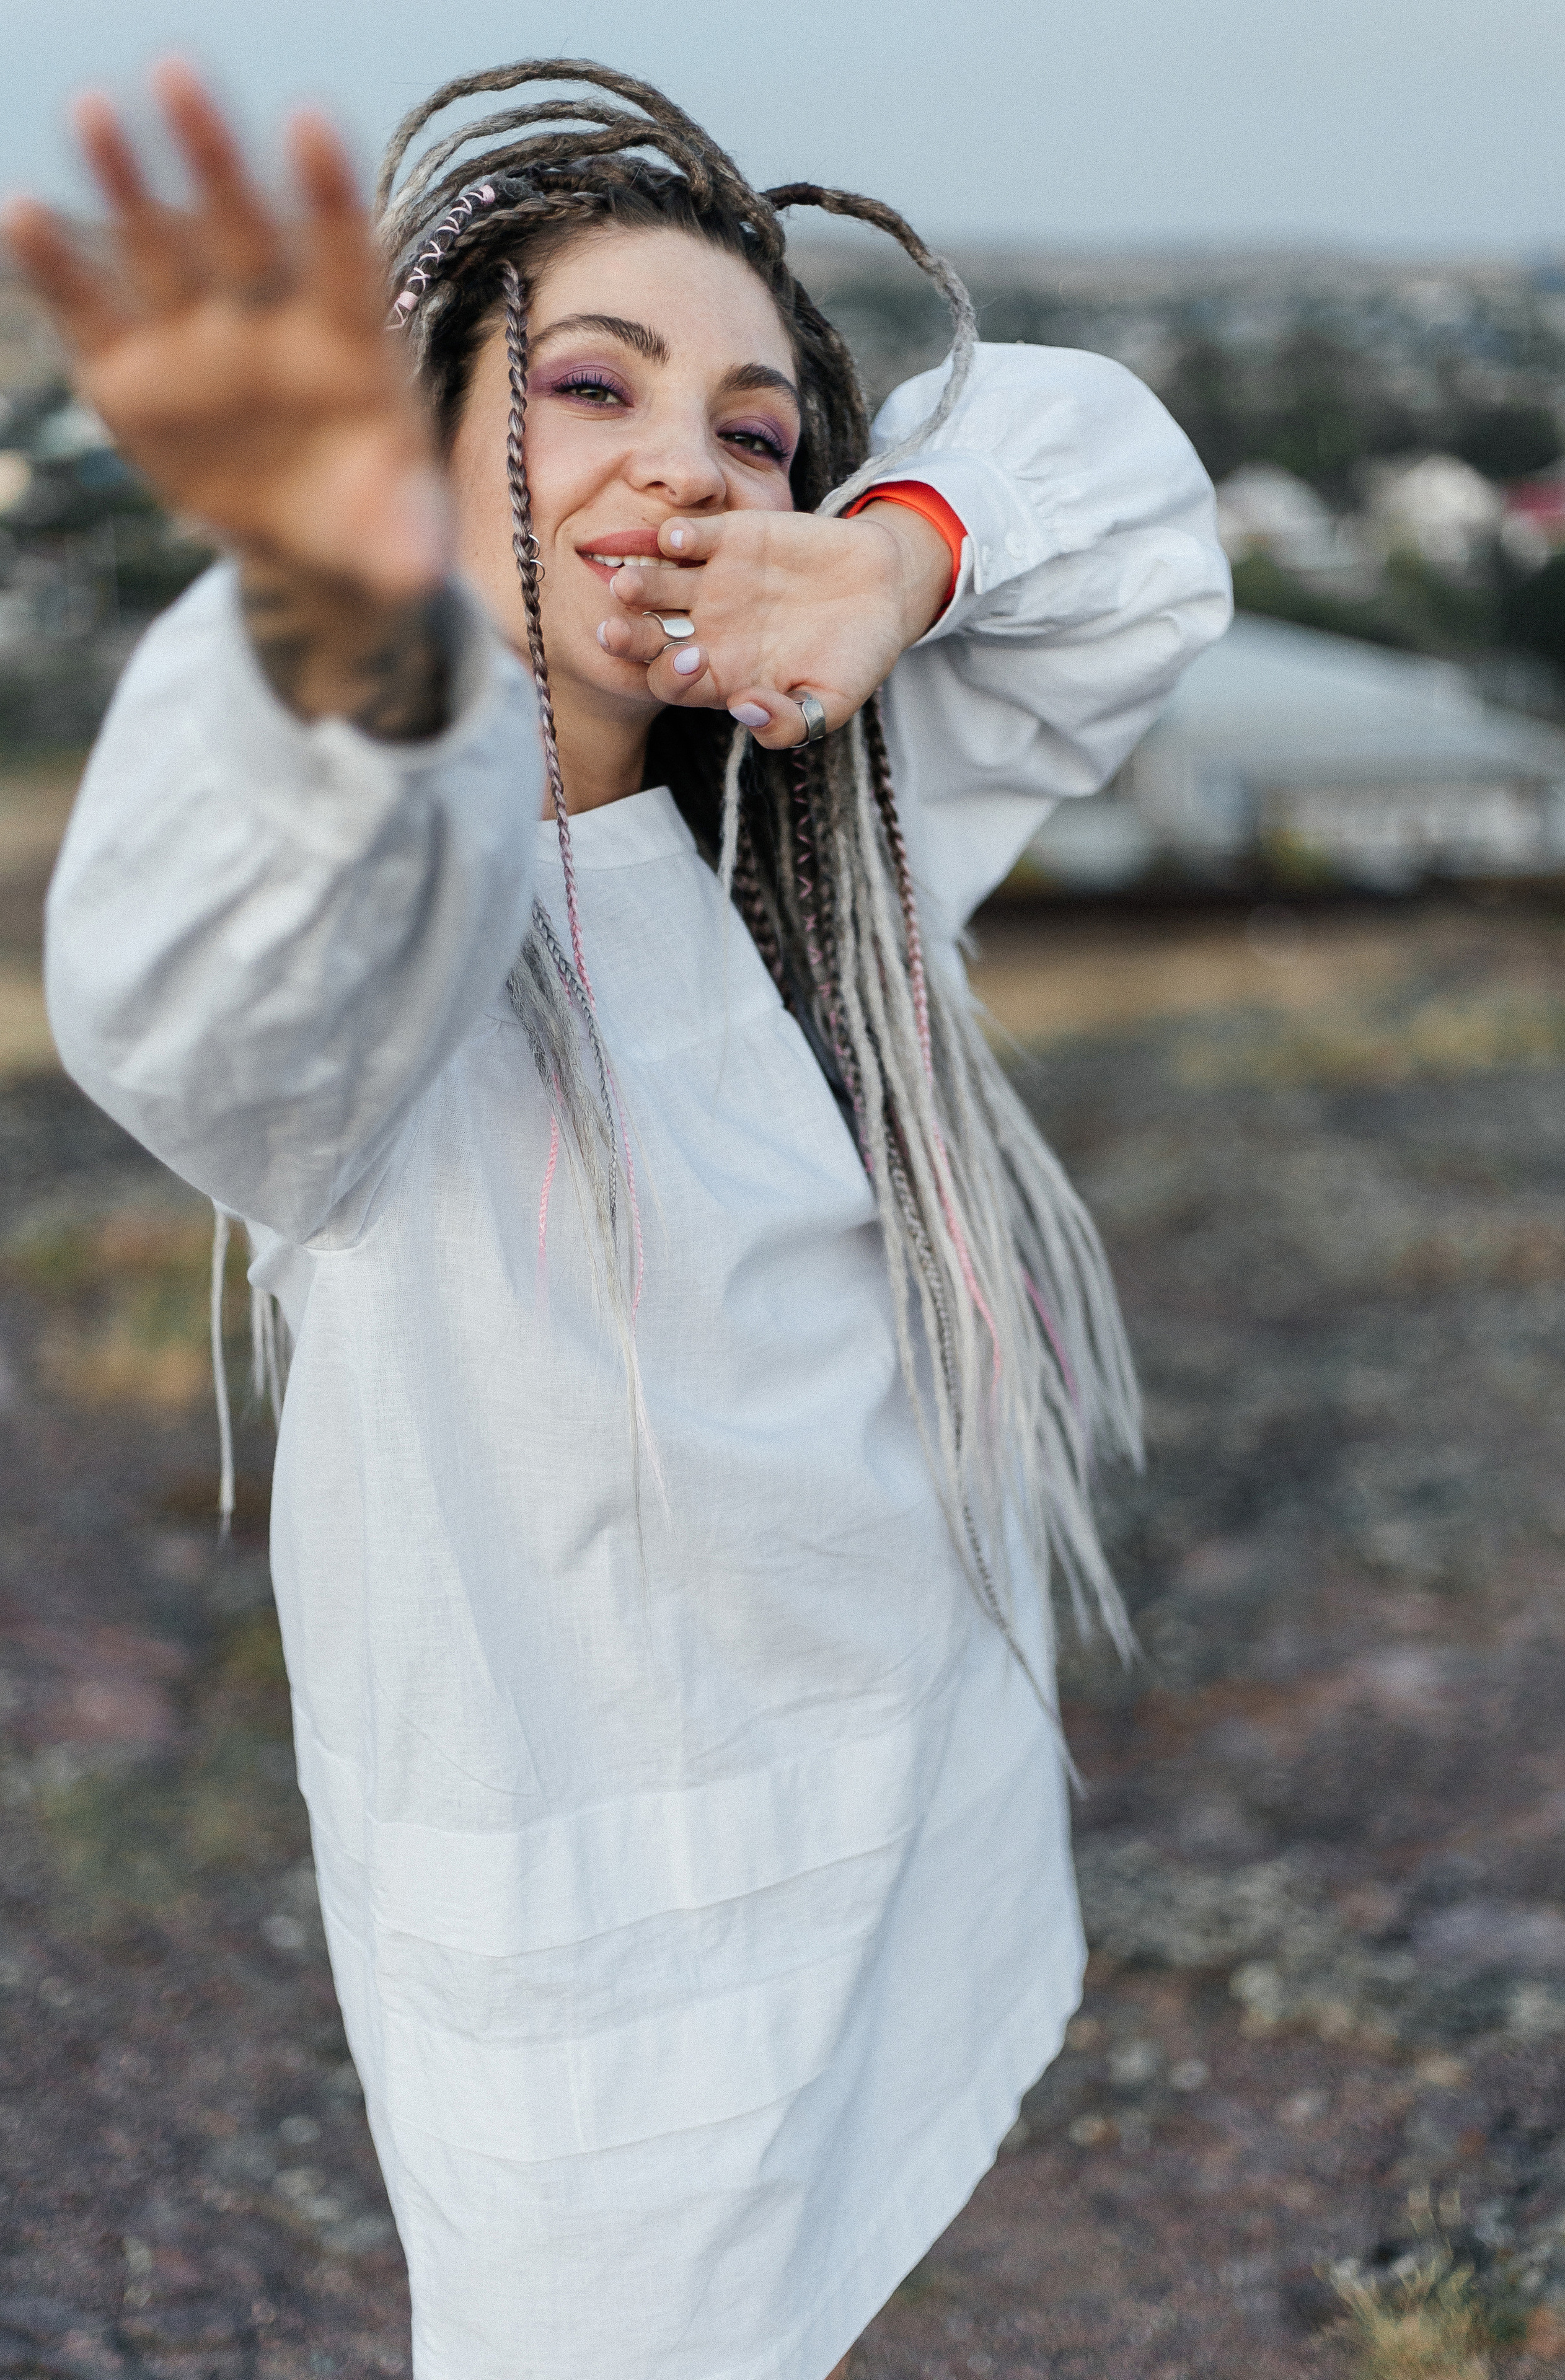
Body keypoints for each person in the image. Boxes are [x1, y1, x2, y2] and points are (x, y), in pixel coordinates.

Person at [7, 55, 1230, 2380]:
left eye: (763, 430)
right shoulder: (394, 980)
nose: (691, 459)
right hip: (606, 2016)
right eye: (589, 387)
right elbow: (187, 985)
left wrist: (893, 563)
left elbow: (1134, 520)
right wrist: (359, 619)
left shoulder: (820, 833)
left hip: (909, 1829)